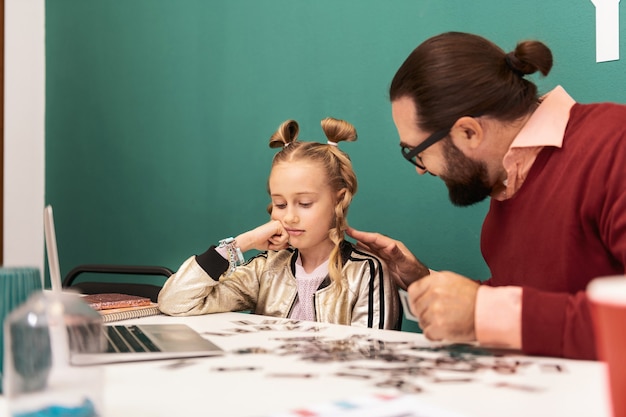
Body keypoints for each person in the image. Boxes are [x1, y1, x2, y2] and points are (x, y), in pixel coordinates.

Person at [347, 32, 626, 360]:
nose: (419, 169)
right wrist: (424, 282)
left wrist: (486, 314)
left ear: (468, 132)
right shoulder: (506, 187)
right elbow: (544, 302)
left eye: (415, 152)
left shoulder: (614, 146)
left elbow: (525, 316)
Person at [158, 117, 400, 330]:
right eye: (280, 205)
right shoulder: (268, 268)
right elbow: (175, 301)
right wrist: (244, 243)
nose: (290, 217)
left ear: (339, 199)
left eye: (305, 203)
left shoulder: (366, 271)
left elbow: (370, 358)